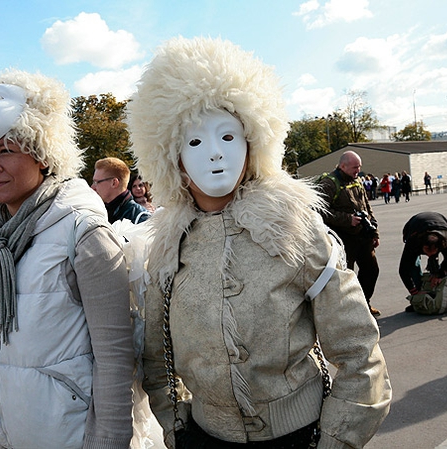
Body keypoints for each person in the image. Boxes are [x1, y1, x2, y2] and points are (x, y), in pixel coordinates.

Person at [127, 36, 391, 449]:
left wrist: (337, 439)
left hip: (301, 436)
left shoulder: (295, 230)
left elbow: (360, 354)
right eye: (194, 141)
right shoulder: (165, 248)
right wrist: (178, 430)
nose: (214, 154)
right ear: (171, 157)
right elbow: (157, 363)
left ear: (253, 143)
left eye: (228, 137)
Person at [0, 69, 135, 448]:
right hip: (1, 432)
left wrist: (108, 442)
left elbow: (117, 355)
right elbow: (7, 331)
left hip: (69, 437)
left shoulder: (84, 232)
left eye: (6, 149)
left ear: (42, 153)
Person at [317, 151, 382, 316]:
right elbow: (319, 210)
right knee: (345, 278)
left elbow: (367, 206)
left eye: (359, 167)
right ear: (342, 166)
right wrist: (347, 220)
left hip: (362, 237)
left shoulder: (357, 180)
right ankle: (347, 312)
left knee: (371, 270)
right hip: (343, 239)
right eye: (354, 167)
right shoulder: (329, 184)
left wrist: (375, 232)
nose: (358, 171)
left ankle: (363, 304)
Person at [399, 212, 447, 315]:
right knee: (412, 265)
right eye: (426, 251)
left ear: (440, 247)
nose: (429, 255)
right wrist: (414, 292)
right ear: (422, 246)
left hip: (440, 222)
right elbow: (403, 270)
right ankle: (421, 298)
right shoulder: (414, 241)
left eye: (432, 252)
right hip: (414, 225)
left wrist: (441, 273)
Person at [92, 157, 150, 224]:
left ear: (114, 183)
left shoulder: (141, 218)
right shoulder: (97, 213)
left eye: (97, 182)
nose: (93, 187)